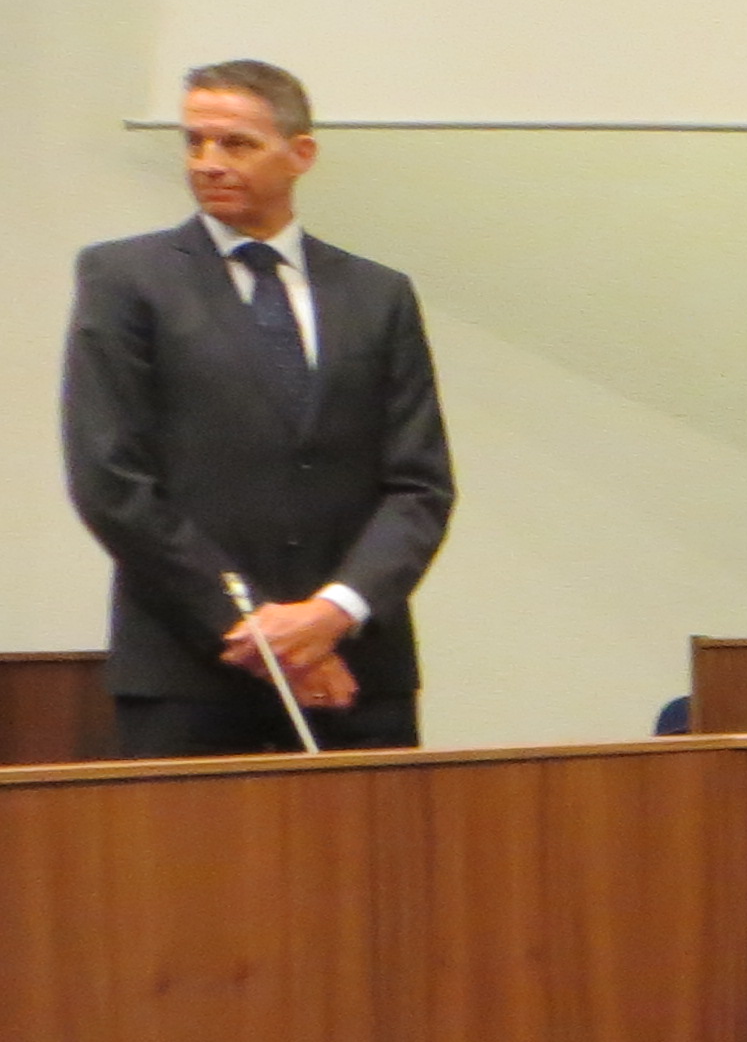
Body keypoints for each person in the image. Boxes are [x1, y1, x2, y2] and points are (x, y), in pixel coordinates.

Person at [61, 60, 456, 757]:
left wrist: (333, 614)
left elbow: (419, 486)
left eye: (236, 144)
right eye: (194, 142)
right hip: (191, 675)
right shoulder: (126, 279)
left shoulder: (377, 294)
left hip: (358, 673)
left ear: (300, 154)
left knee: (369, 836)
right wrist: (265, 638)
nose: (208, 163)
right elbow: (112, 480)